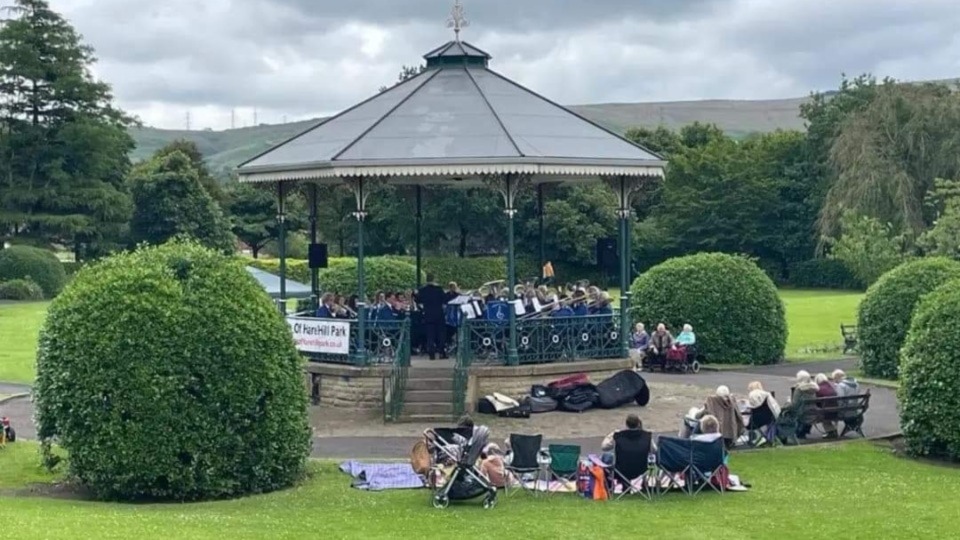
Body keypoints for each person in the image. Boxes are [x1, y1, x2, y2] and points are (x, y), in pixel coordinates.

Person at [417, 273, 448, 360]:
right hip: (439, 314)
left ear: (426, 280)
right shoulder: (439, 289)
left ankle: (431, 354)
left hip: (428, 314)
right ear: (433, 279)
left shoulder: (422, 290)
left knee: (430, 335)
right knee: (441, 334)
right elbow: (445, 299)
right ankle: (442, 352)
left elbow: (418, 300)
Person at [789, 371, 820, 439]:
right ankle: (805, 430)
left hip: (802, 413)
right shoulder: (814, 387)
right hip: (814, 412)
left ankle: (796, 431)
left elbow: (795, 404)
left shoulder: (799, 389)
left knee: (788, 411)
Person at [815, 373, 839, 438]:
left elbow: (817, 402)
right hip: (837, 410)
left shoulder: (819, 389)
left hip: (827, 412)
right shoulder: (832, 386)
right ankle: (833, 431)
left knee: (821, 412)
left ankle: (831, 431)